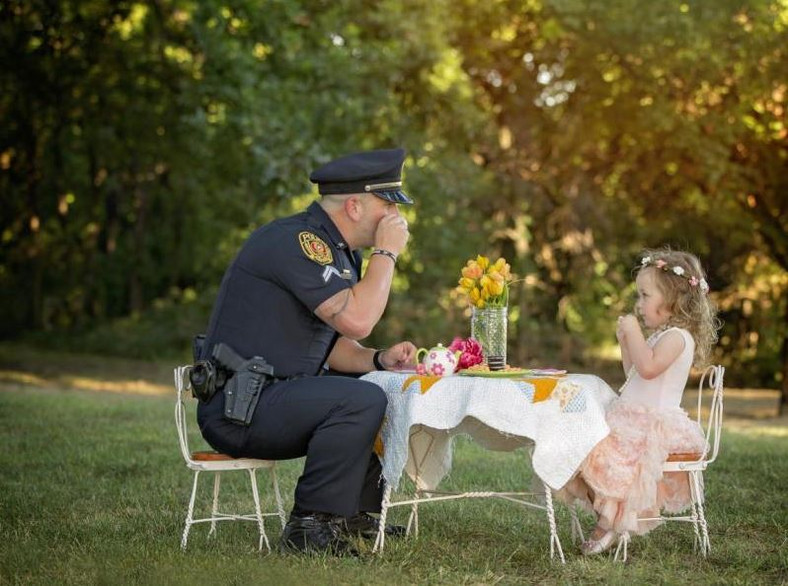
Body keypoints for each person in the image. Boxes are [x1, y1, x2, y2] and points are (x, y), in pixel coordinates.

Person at [195, 148, 418, 556]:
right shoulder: (297, 242)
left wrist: (378, 359)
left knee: (372, 382)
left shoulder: (334, 248)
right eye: (387, 206)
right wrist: (386, 253)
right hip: (239, 407)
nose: (395, 219)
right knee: (361, 399)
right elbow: (358, 320)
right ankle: (309, 528)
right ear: (354, 205)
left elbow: (330, 345)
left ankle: (353, 512)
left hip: (273, 394)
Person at [557, 247, 721, 555]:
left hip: (653, 425)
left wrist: (633, 331)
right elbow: (634, 371)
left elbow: (648, 368)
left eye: (645, 295)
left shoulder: (678, 338)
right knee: (590, 443)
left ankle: (608, 524)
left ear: (672, 299)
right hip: (634, 418)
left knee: (613, 452)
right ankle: (606, 517)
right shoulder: (663, 334)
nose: (639, 303)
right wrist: (626, 342)